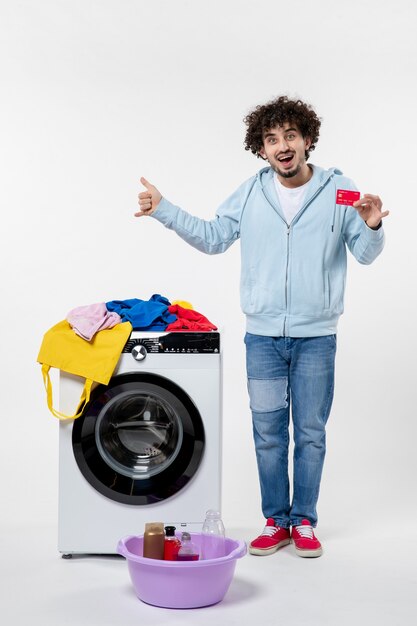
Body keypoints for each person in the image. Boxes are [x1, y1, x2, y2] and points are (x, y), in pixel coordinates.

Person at [135, 95, 388, 558]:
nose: (282, 146)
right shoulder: (250, 193)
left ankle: (304, 522)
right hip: (264, 339)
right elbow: (213, 238)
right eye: (272, 139)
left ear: (308, 140)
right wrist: (164, 209)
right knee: (268, 432)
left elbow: (366, 254)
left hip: (317, 338)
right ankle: (276, 520)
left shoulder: (340, 190)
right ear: (263, 149)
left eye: (291, 135)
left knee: (310, 432)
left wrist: (371, 226)